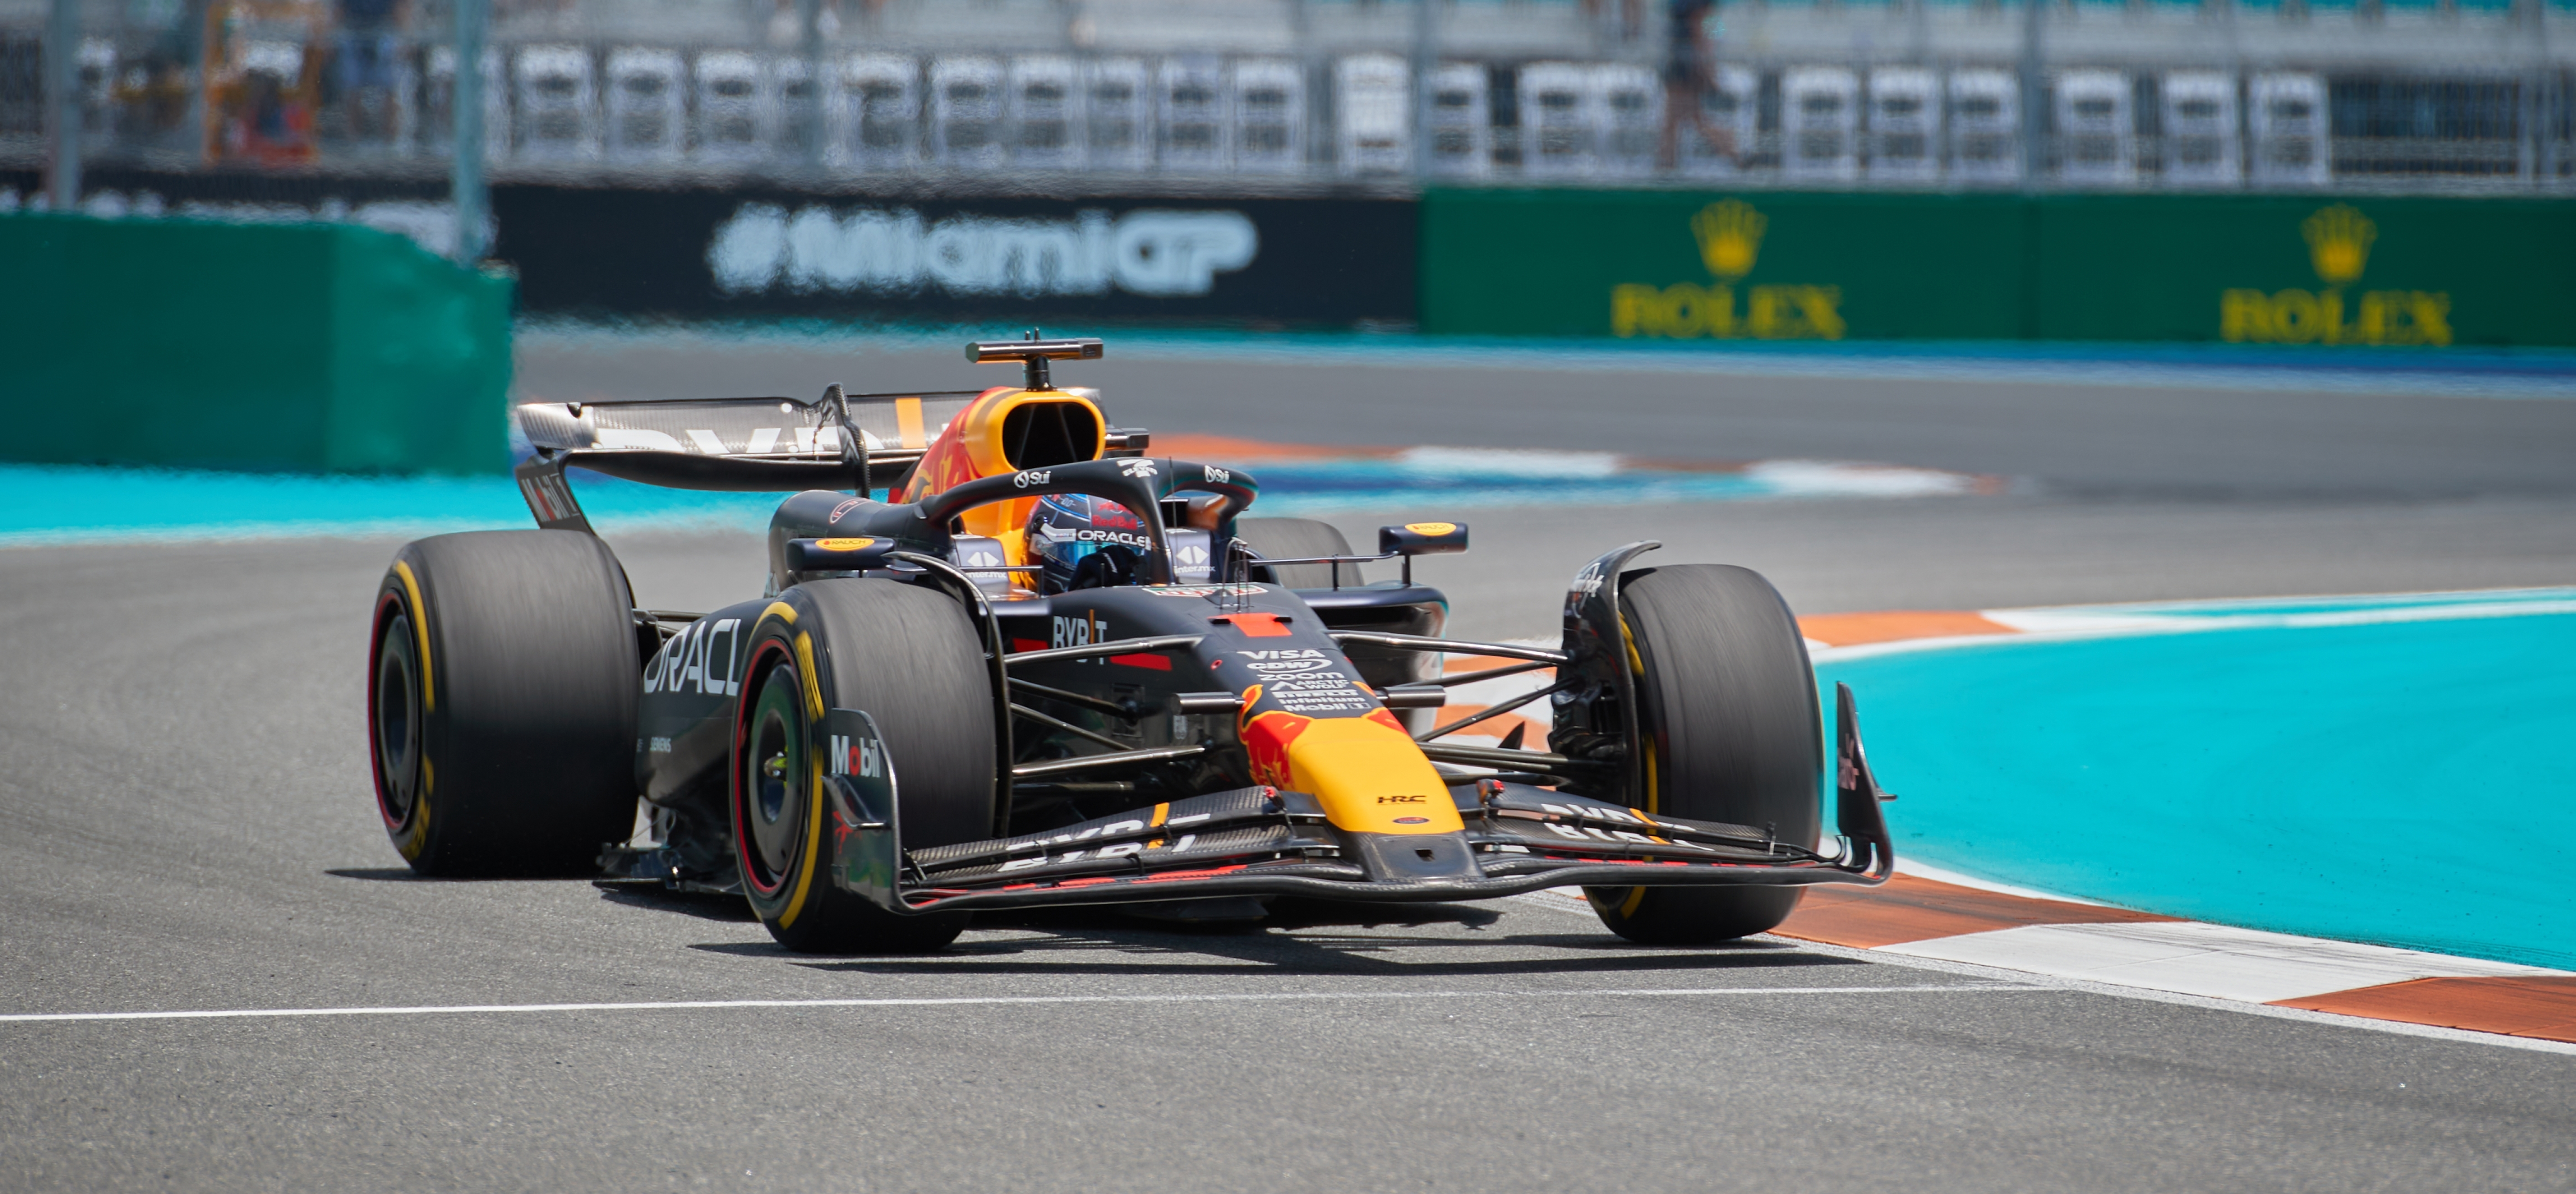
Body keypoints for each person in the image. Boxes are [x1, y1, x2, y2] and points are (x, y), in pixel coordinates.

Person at [1659, 0, 1738, 170]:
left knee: (1682, 119)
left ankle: (1733, 151)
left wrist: (1708, 65)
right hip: (1682, 59)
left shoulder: (1695, 5)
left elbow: (1704, 28)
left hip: (1688, 63)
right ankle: (1732, 151)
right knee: (1685, 119)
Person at [333, 0, 406, 144]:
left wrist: (403, 36)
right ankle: (353, 142)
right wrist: (333, 35)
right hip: (352, 31)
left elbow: (402, 5)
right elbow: (338, 8)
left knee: (389, 89)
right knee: (352, 91)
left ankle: (390, 143)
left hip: (384, 30)